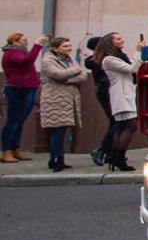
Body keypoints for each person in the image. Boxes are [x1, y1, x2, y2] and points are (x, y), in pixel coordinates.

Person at [35, 37, 89, 172]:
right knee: (56, 130)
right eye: (65, 46)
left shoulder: (69, 60)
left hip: (68, 100)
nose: (69, 48)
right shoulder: (48, 60)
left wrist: (67, 78)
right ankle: (56, 160)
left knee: (63, 129)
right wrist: (74, 72)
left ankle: (59, 159)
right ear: (55, 48)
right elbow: (57, 74)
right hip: (54, 99)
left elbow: (83, 77)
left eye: (69, 45)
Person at [94, 33, 140, 172]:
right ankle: (118, 158)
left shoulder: (117, 57)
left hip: (124, 92)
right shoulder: (109, 59)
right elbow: (133, 68)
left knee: (121, 126)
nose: (122, 40)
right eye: (118, 39)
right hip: (121, 94)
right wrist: (138, 51)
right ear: (110, 43)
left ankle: (115, 157)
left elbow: (132, 65)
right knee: (130, 125)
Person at [2, 33, 46, 163]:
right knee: (13, 122)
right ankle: (6, 151)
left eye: (26, 40)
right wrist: (37, 44)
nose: (26, 42)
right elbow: (27, 60)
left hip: (28, 88)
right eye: (23, 40)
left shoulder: (19, 52)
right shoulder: (12, 53)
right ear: (14, 42)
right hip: (18, 90)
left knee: (19, 122)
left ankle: (15, 149)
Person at [85, 36, 114, 166]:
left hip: (106, 91)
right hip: (107, 92)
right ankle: (102, 150)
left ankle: (109, 152)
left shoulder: (96, 59)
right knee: (117, 121)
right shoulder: (100, 60)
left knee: (117, 122)